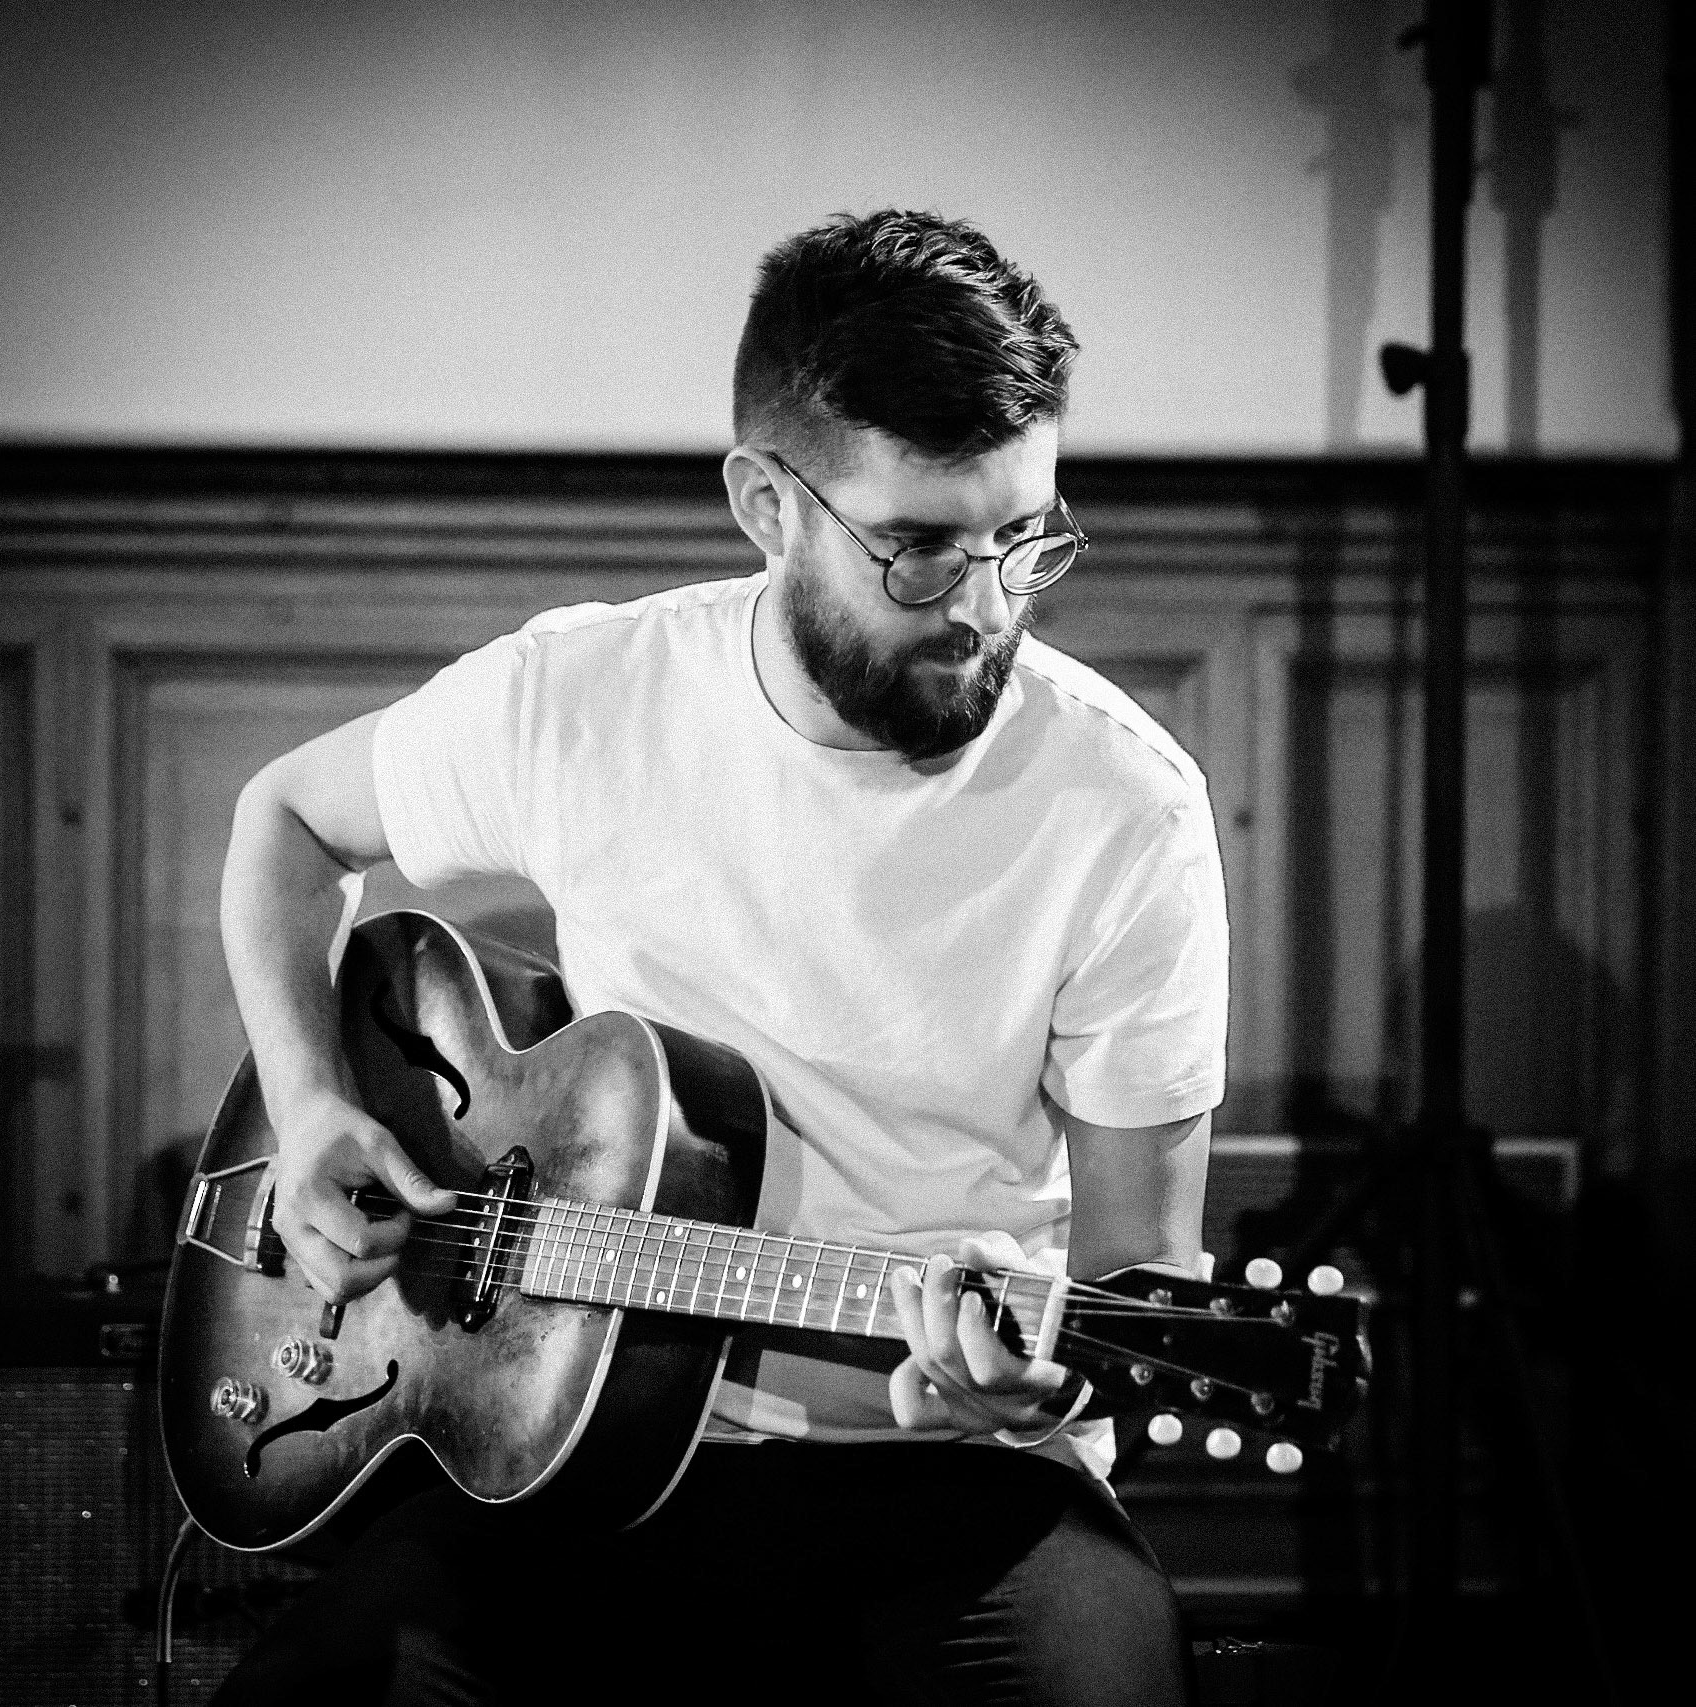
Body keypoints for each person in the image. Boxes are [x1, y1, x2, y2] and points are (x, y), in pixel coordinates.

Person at [213, 209, 1228, 1706]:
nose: (989, 610)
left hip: (960, 1484)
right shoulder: (589, 699)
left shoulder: (1123, 809)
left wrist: (1042, 1382)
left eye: (1028, 540)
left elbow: (1144, 1279)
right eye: (919, 551)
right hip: (574, 1440)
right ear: (766, 502)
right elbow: (284, 822)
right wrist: (308, 1112)